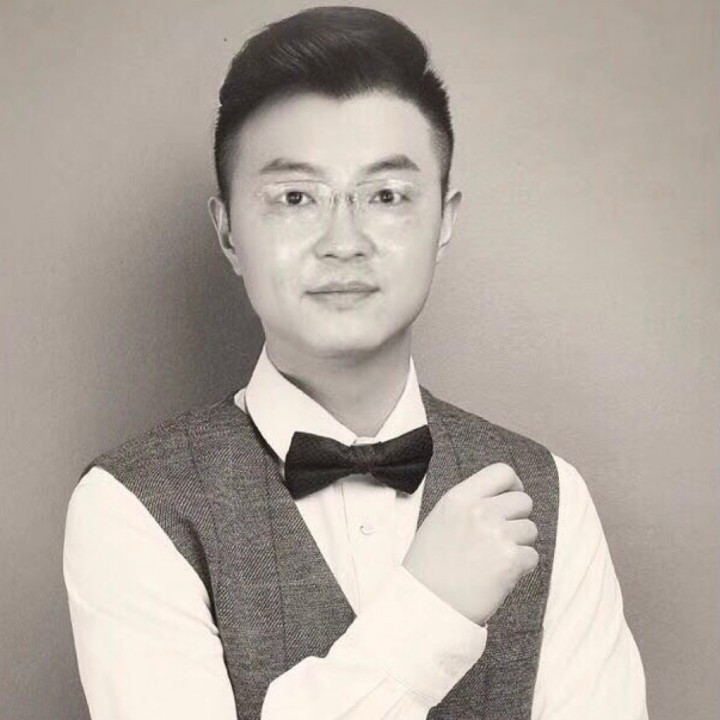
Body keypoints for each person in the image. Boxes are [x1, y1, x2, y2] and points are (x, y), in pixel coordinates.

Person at [63, 6, 647, 719]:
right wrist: (431, 611)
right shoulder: (130, 503)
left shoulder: (551, 494)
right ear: (227, 232)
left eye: (387, 195)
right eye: (295, 197)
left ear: (445, 221)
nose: (344, 241)